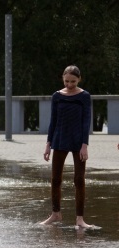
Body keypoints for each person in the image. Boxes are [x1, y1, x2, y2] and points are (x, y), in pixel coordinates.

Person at [40, 65, 93, 228]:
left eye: (73, 81)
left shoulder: (84, 96)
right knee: (55, 179)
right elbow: (53, 121)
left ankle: (80, 219)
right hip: (60, 139)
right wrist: (48, 144)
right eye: (67, 81)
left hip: (78, 141)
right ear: (63, 79)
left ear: (79, 79)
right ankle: (56, 214)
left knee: (79, 180)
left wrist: (85, 145)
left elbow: (86, 121)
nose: (70, 84)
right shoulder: (57, 96)